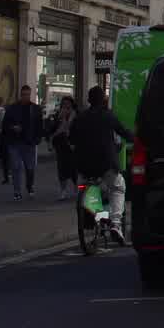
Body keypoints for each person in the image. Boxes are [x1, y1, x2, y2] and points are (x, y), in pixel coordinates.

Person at [70, 85, 134, 243]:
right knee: (118, 187)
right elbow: (123, 132)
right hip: (106, 162)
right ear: (103, 100)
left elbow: (71, 139)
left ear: (89, 100)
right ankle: (116, 223)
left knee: (87, 188)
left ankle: (95, 217)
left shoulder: (80, 117)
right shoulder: (108, 116)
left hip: (84, 164)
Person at [2, 85, 45, 199]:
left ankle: (29, 186)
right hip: (15, 142)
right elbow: (5, 124)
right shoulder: (12, 108)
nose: (25, 97)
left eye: (27, 94)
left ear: (30, 95)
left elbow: (39, 125)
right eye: (23, 95)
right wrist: (13, 128)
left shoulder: (35, 109)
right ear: (20, 95)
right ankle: (17, 191)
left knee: (30, 167)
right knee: (16, 167)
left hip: (29, 142)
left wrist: (37, 139)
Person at [50, 95, 80, 200]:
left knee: (74, 169)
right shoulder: (58, 115)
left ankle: (77, 188)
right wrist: (59, 120)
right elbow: (52, 129)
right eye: (64, 105)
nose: (66, 107)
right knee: (61, 169)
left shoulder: (76, 115)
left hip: (73, 146)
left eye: (68, 105)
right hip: (61, 145)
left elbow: (79, 129)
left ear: (72, 105)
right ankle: (63, 190)